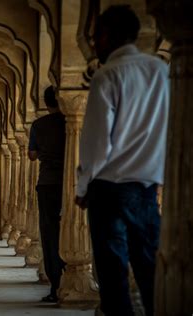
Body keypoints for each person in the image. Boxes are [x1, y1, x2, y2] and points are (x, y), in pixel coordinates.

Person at [75, 5, 169, 316]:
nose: (95, 44)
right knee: (150, 266)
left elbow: (97, 141)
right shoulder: (161, 71)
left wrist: (82, 186)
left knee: (113, 273)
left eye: (96, 37)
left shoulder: (108, 74)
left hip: (109, 187)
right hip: (145, 187)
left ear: (107, 36)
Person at [28, 85, 66, 303]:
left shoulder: (39, 124)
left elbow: (32, 155)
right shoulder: (72, 122)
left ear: (46, 102)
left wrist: (45, 150)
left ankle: (56, 286)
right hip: (72, 184)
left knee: (50, 235)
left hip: (48, 183)